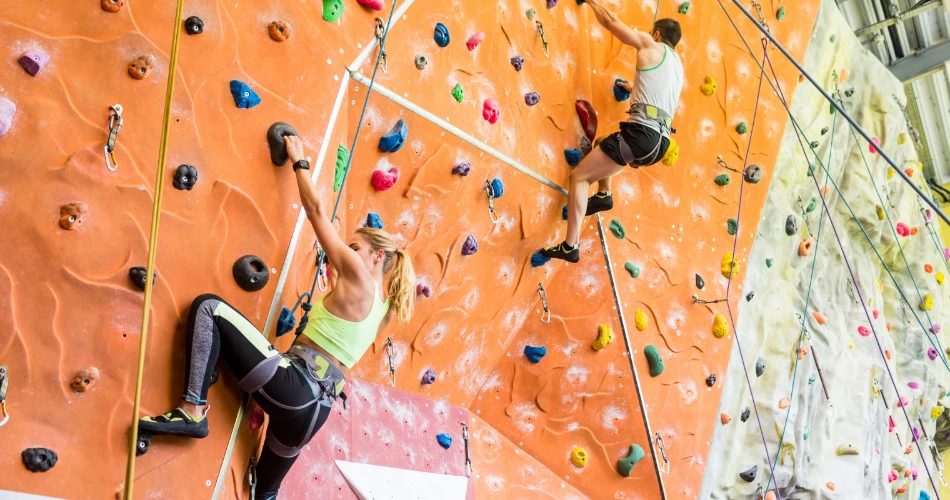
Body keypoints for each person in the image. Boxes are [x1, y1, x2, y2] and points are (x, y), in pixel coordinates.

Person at [137, 135, 415, 499]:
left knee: (208, 307)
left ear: (378, 257)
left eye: (355, 247)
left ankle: (192, 409)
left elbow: (316, 213)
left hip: (296, 388)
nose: (347, 252)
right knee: (265, 494)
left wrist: (299, 162)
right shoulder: (386, 311)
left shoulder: (360, 275)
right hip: (315, 415)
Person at [540, 1, 684, 263]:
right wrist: (634, 89)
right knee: (606, 142)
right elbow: (659, 96)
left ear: (656, 35)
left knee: (579, 177)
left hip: (642, 135)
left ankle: (570, 246)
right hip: (660, 142)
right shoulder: (677, 65)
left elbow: (611, 22)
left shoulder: (651, 44)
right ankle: (604, 196)